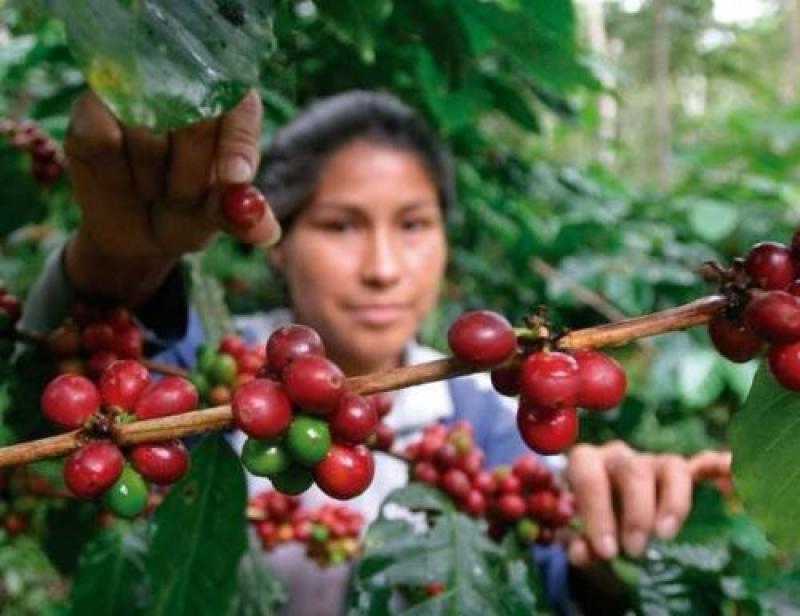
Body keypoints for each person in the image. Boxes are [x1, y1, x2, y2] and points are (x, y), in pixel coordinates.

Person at [21, 89, 730, 614]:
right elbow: (81, 369)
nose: (384, 267)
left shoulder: (484, 420)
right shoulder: (214, 374)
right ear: (279, 241)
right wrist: (117, 256)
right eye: (340, 225)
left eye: (414, 224)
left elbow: (546, 565)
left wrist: (615, 539)